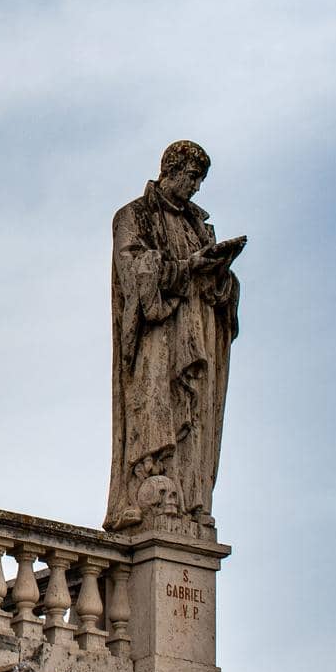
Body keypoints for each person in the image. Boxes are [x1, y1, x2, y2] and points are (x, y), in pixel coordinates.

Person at [106, 140, 243, 531]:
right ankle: (151, 488)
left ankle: (191, 497)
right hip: (159, 338)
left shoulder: (198, 226)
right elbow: (134, 271)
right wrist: (186, 267)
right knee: (156, 410)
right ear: (171, 169)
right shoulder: (135, 216)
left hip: (196, 334)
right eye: (192, 177)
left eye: (201, 179)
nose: (197, 187)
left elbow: (221, 294)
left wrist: (220, 275)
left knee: (196, 416)